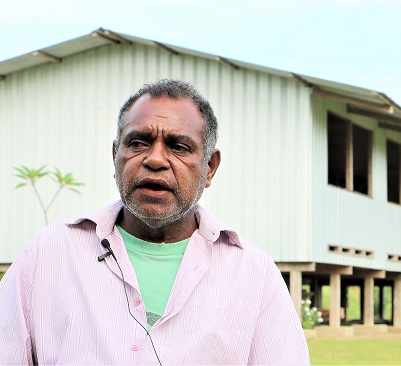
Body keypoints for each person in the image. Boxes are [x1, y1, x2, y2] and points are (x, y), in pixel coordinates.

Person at [0, 79, 310, 365]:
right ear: (115, 156)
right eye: (138, 143)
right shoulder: (49, 254)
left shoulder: (254, 275)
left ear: (210, 167)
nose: (156, 160)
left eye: (178, 147)